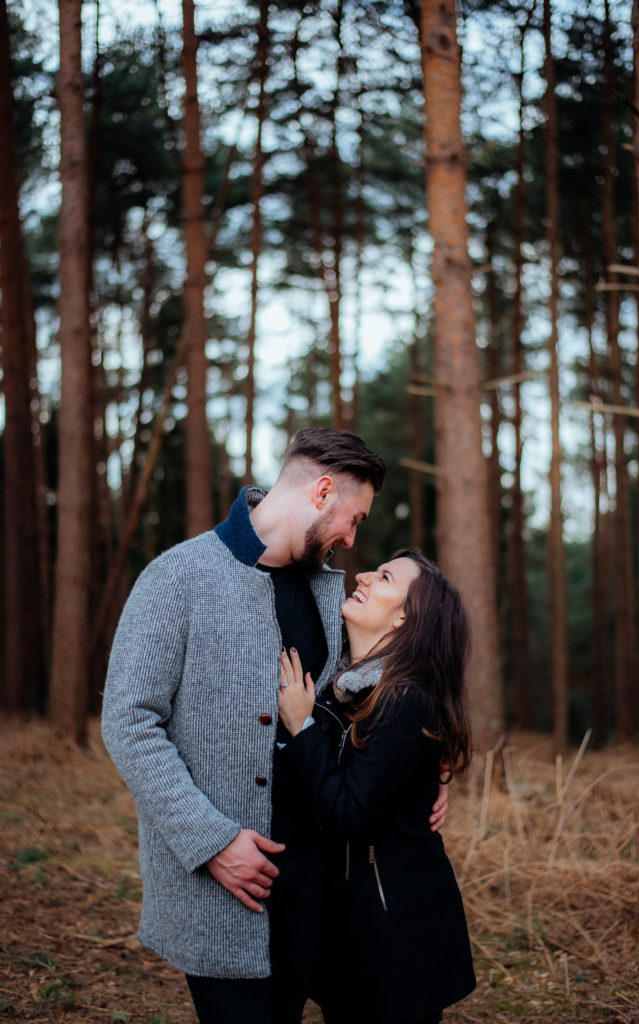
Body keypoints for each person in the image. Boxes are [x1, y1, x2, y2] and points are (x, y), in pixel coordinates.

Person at [101, 428, 446, 1024]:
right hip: (218, 890)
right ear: (320, 492)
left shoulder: (327, 591)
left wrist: (427, 769)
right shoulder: (175, 578)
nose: (352, 538)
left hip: (316, 886)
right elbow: (130, 723)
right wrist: (213, 842)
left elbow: (366, 702)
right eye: (354, 518)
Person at [278, 549, 476, 1024]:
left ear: (404, 617)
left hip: (395, 943)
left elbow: (348, 812)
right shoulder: (347, 687)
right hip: (352, 934)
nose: (362, 575)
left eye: (384, 576)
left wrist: (303, 728)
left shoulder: (405, 700)